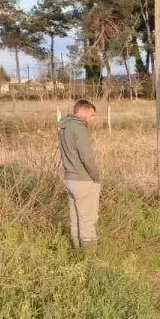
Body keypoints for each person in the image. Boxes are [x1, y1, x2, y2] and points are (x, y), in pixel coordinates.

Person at [59, 100, 100, 250]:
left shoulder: (64, 127)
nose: (93, 118)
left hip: (70, 178)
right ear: (83, 111)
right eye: (92, 114)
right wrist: (96, 176)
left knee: (75, 219)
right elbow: (87, 157)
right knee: (87, 220)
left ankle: (77, 252)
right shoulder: (79, 128)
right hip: (84, 180)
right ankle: (90, 258)